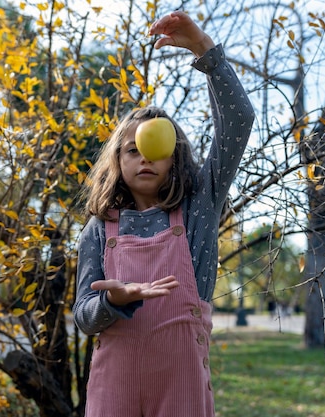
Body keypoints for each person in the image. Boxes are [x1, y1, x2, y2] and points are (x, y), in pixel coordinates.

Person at [72, 10, 254, 417]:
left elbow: (239, 122)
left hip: (182, 386)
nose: (145, 159)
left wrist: (205, 51)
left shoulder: (197, 209)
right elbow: (84, 316)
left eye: (156, 150)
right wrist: (112, 302)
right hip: (114, 389)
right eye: (132, 151)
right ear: (117, 161)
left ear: (175, 158)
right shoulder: (99, 230)